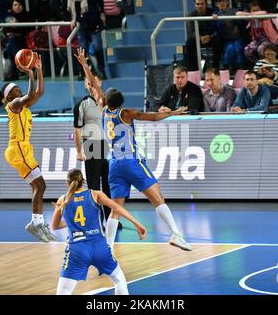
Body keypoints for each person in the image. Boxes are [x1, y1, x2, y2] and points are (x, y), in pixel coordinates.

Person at [75, 49, 193, 252]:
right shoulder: (126, 113)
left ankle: (108, 248)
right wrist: (174, 112)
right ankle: (176, 234)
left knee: (116, 208)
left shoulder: (102, 110)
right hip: (131, 161)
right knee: (157, 198)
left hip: (114, 164)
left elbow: (94, 87)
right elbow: (154, 117)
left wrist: (85, 66)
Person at [0, 55, 56, 243]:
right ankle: (36, 224)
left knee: (37, 187)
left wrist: (38, 70)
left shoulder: (24, 107)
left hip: (23, 149)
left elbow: (39, 92)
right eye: (16, 89)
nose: (19, 91)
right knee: (41, 185)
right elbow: (29, 95)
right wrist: (29, 73)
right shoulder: (13, 105)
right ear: (9, 96)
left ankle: (37, 223)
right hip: (18, 149)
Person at [52, 169, 147, 295]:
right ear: (83, 181)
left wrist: (71, 222)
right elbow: (117, 208)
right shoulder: (95, 194)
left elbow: (55, 226)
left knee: (64, 291)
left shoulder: (62, 200)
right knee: (119, 281)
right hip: (99, 247)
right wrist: (138, 224)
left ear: (67, 182)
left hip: (77, 250)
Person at [73, 69, 117, 229]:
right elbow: (76, 129)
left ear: (99, 84)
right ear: (86, 86)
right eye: (88, 83)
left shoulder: (103, 101)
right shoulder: (82, 104)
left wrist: (85, 66)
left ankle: (110, 219)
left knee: (107, 184)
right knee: (93, 186)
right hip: (90, 145)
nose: (91, 85)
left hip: (103, 146)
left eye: (94, 82)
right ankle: (95, 222)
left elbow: (99, 93)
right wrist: (79, 151)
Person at [69, 0, 107, 79]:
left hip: (95, 23)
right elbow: (73, 11)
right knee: (82, 48)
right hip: (82, 25)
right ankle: (81, 72)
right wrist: (73, 19)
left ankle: (101, 71)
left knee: (98, 47)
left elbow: (99, 0)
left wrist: (102, 12)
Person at [184, 0, 222, 71]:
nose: (200, 6)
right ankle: (193, 69)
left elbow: (217, 29)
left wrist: (210, 37)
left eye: (202, 4)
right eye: (198, 4)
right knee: (189, 42)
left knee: (219, 41)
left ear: (206, 4)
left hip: (211, 38)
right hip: (198, 39)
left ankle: (215, 68)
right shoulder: (190, 15)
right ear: (195, 5)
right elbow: (191, 32)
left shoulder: (213, 13)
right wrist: (200, 37)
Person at [2, 0, 35, 80]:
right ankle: (19, 69)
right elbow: (5, 30)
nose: (17, 7)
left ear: (23, 6)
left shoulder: (28, 15)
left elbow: (29, 30)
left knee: (11, 44)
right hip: (14, 42)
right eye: (15, 5)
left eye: (19, 5)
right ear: (12, 7)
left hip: (26, 40)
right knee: (10, 44)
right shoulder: (10, 17)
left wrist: (16, 27)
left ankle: (16, 72)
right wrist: (13, 27)